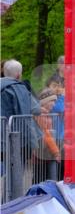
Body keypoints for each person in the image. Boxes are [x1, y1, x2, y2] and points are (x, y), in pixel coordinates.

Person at [0, 59, 42, 192]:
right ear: (18, 75)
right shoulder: (19, 88)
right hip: (16, 140)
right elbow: (36, 109)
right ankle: (11, 205)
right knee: (16, 173)